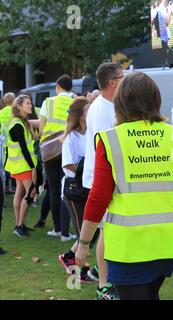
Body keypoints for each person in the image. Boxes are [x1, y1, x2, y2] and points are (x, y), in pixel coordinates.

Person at [75, 72, 173, 300]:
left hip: (129, 247)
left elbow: (98, 198)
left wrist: (83, 243)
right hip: (168, 242)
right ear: (155, 99)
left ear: (121, 101)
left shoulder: (112, 139)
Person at [82, 62, 123, 300]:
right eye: (122, 76)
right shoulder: (101, 109)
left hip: (108, 177)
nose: (125, 80)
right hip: (100, 178)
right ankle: (104, 286)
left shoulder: (109, 105)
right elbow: (105, 149)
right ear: (113, 82)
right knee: (107, 232)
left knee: (110, 232)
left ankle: (103, 272)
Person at [57, 97, 96, 282]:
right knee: (84, 233)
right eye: (88, 111)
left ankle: (69, 259)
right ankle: (78, 271)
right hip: (73, 192)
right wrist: (84, 170)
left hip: (88, 188)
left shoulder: (91, 134)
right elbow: (68, 165)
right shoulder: (70, 138)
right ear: (81, 116)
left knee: (90, 231)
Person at [39, 75, 75, 238]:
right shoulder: (75, 101)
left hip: (51, 150)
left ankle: (57, 228)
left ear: (58, 86)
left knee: (53, 189)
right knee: (66, 188)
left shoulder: (48, 102)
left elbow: (41, 128)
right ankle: (66, 232)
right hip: (69, 148)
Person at [6, 95, 38, 236]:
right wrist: (32, 167)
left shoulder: (21, 122)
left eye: (30, 103)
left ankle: (19, 224)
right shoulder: (17, 124)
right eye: (27, 103)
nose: (30, 105)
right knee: (31, 192)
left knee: (20, 192)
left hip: (19, 165)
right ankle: (19, 225)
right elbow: (24, 149)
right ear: (19, 106)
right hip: (23, 165)